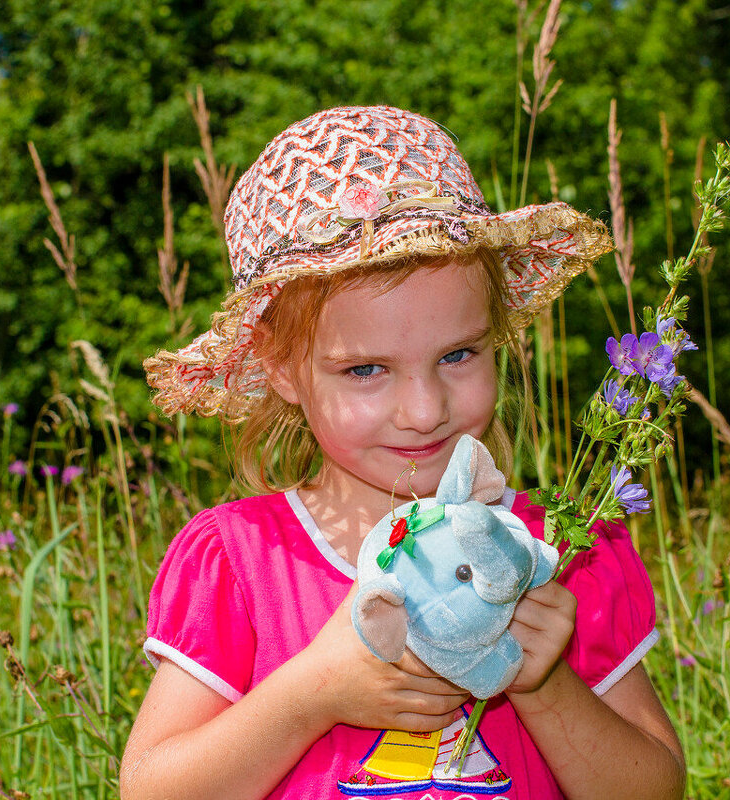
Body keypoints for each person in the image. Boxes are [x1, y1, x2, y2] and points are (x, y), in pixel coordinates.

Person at [122, 105, 685, 800]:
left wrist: (542, 682)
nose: (424, 411)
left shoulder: (566, 552)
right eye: (365, 370)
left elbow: (653, 787)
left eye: (458, 355)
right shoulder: (241, 562)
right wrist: (309, 695)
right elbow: (152, 789)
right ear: (283, 368)